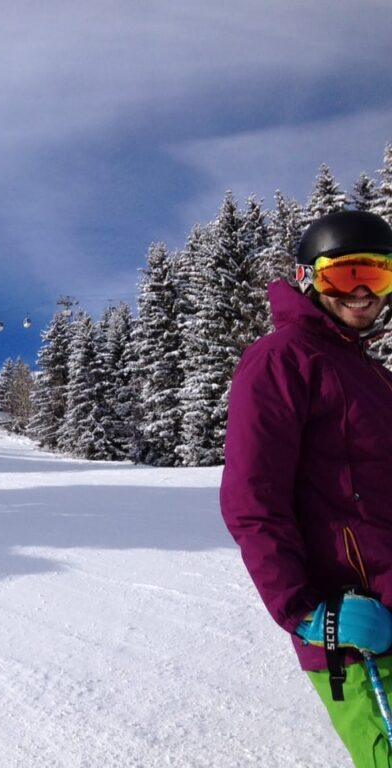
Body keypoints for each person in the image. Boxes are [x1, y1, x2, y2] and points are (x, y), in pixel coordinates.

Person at [221, 209, 392, 767]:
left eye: (379, 275)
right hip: (356, 626)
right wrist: (305, 611)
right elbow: (252, 502)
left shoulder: (375, 375)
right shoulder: (279, 361)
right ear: (308, 278)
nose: (364, 292)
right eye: (345, 276)